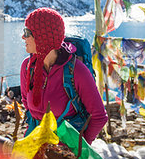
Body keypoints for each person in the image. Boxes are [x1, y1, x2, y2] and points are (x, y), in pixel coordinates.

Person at [20, 7, 107, 144]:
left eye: (27, 33)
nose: (23, 37)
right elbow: (26, 104)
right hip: (33, 144)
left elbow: (99, 116)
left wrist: (80, 147)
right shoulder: (27, 66)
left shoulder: (77, 71)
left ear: (43, 36)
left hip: (64, 150)